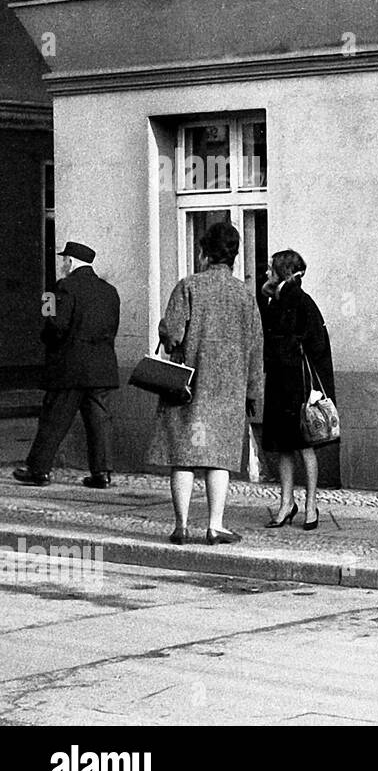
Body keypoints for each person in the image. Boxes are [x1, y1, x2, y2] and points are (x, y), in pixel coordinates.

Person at [147, 221, 263, 545]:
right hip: (227, 391)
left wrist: (169, 339)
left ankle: (181, 526)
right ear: (234, 257)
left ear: (203, 253)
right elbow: (256, 348)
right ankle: (215, 526)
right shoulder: (245, 296)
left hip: (187, 386)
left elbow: (171, 332)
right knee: (219, 457)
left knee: (183, 455)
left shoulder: (189, 286)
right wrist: (253, 392)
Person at [12, 241, 120, 489]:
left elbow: (54, 324)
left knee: (54, 419)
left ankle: (38, 469)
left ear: (71, 262)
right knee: (98, 423)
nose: (62, 264)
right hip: (101, 368)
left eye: (64, 260)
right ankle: (101, 473)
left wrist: (46, 340)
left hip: (69, 367)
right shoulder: (110, 291)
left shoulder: (61, 288)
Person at [257, 249, 336, 532]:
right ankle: (288, 503)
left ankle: (310, 504)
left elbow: (315, 347)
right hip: (281, 382)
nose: (266, 274)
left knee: (302, 447)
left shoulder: (299, 302)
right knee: (284, 447)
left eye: (270, 270)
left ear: (283, 273)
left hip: (296, 385)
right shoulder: (278, 299)